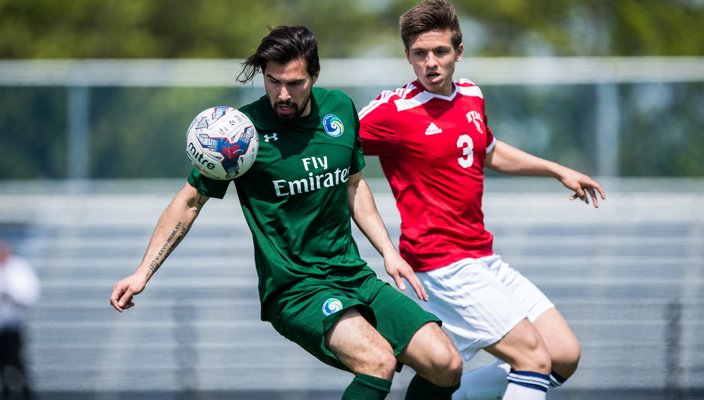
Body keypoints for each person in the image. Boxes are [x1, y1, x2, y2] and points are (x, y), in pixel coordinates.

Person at [110, 25, 462, 400]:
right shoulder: (240, 135)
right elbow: (190, 201)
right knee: (377, 362)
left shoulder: (340, 109)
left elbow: (354, 185)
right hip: (295, 289)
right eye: (272, 81)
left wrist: (387, 251)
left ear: (314, 75)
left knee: (446, 365)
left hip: (353, 275)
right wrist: (143, 272)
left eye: (293, 83)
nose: (281, 94)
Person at [358, 1, 606, 399]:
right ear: (408, 57)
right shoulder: (394, 111)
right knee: (533, 361)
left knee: (562, 355)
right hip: (441, 263)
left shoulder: (471, 95)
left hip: (482, 256)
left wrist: (557, 169)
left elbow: (486, 151)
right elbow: (333, 143)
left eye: (440, 51)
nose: (431, 63)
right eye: (420, 54)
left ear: (458, 51)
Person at [0, 241, 40, 400]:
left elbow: (28, 296)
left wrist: (7, 294)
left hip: (10, 330)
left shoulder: (18, 267)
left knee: (13, 368)